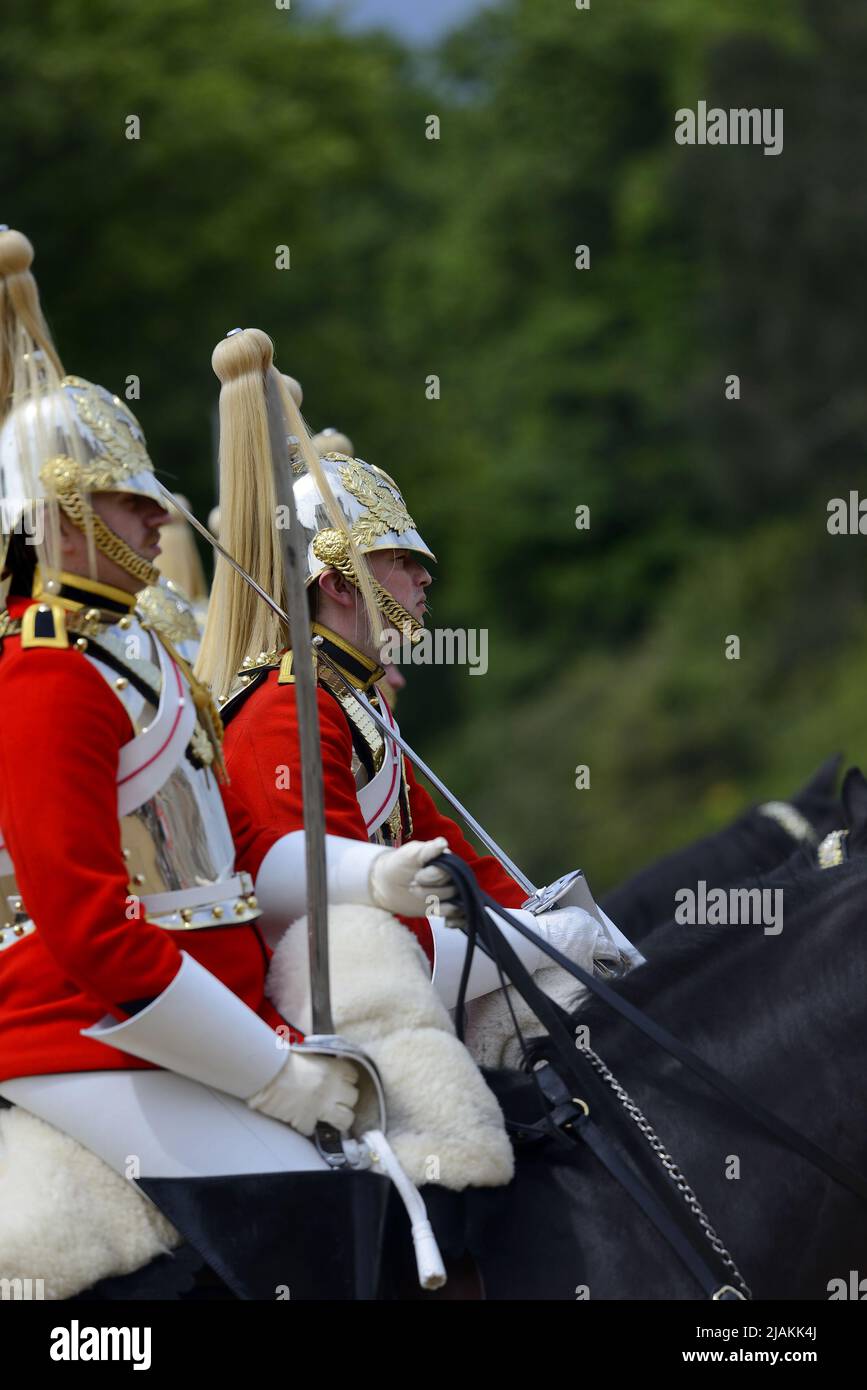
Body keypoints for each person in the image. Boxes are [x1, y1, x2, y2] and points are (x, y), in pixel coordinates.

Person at [0, 231, 447, 1298]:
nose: (161, 516)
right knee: (302, 1219)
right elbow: (88, 928)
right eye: (129, 499)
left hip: (199, 1002)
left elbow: (240, 860)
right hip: (83, 1019)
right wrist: (272, 1073)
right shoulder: (42, 673)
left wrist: (367, 878)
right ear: (58, 509)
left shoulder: (138, 650)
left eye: (154, 497)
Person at [195, 328, 629, 1039]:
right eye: (399, 559)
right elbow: (329, 921)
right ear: (336, 582)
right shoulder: (286, 709)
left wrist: (534, 912)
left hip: (398, 957)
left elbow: (444, 848)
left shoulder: (352, 697)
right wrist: (557, 938)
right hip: (336, 993)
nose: (424, 576)